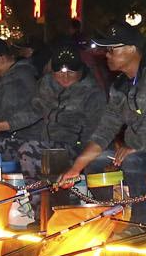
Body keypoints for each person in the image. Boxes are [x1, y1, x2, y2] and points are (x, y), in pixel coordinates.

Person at [57, 24, 146, 221]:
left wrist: (134, 145)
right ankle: (111, 216)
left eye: (112, 50)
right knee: (95, 161)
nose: (107, 55)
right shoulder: (121, 85)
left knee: (134, 161)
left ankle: (140, 223)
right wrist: (76, 168)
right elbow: (105, 129)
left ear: (131, 49)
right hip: (138, 150)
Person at [17, 41, 105, 179]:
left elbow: (96, 136)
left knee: (29, 150)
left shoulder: (92, 93)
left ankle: (37, 198)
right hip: (45, 142)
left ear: (80, 70)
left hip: (74, 148)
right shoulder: (46, 84)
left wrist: (79, 163)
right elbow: (33, 111)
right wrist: (2, 125)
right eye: (59, 72)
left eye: (71, 71)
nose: (65, 76)